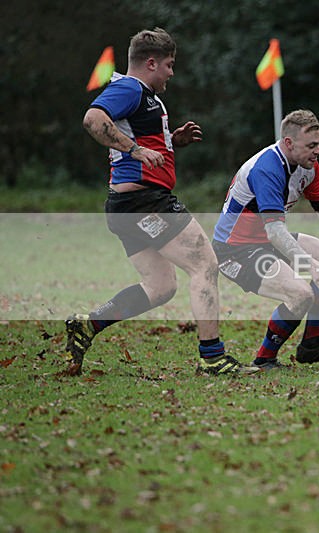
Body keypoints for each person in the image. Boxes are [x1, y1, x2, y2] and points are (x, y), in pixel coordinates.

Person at [65, 28, 253, 375]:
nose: (171, 72)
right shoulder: (129, 88)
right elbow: (93, 119)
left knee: (161, 287)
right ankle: (212, 357)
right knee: (205, 265)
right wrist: (135, 150)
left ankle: (88, 325)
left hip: (127, 206)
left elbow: (139, 136)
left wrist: (171, 142)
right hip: (145, 203)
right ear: (150, 62)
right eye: (168, 64)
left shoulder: (146, 96)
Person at [212, 109, 319, 370]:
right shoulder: (267, 169)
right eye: (311, 145)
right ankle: (264, 358)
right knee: (301, 294)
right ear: (288, 143)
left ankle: (311, 345)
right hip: (234, 250)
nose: (318, 151)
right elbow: (275, 231)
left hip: (267, 240)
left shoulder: (308, 166)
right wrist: (311, 265)